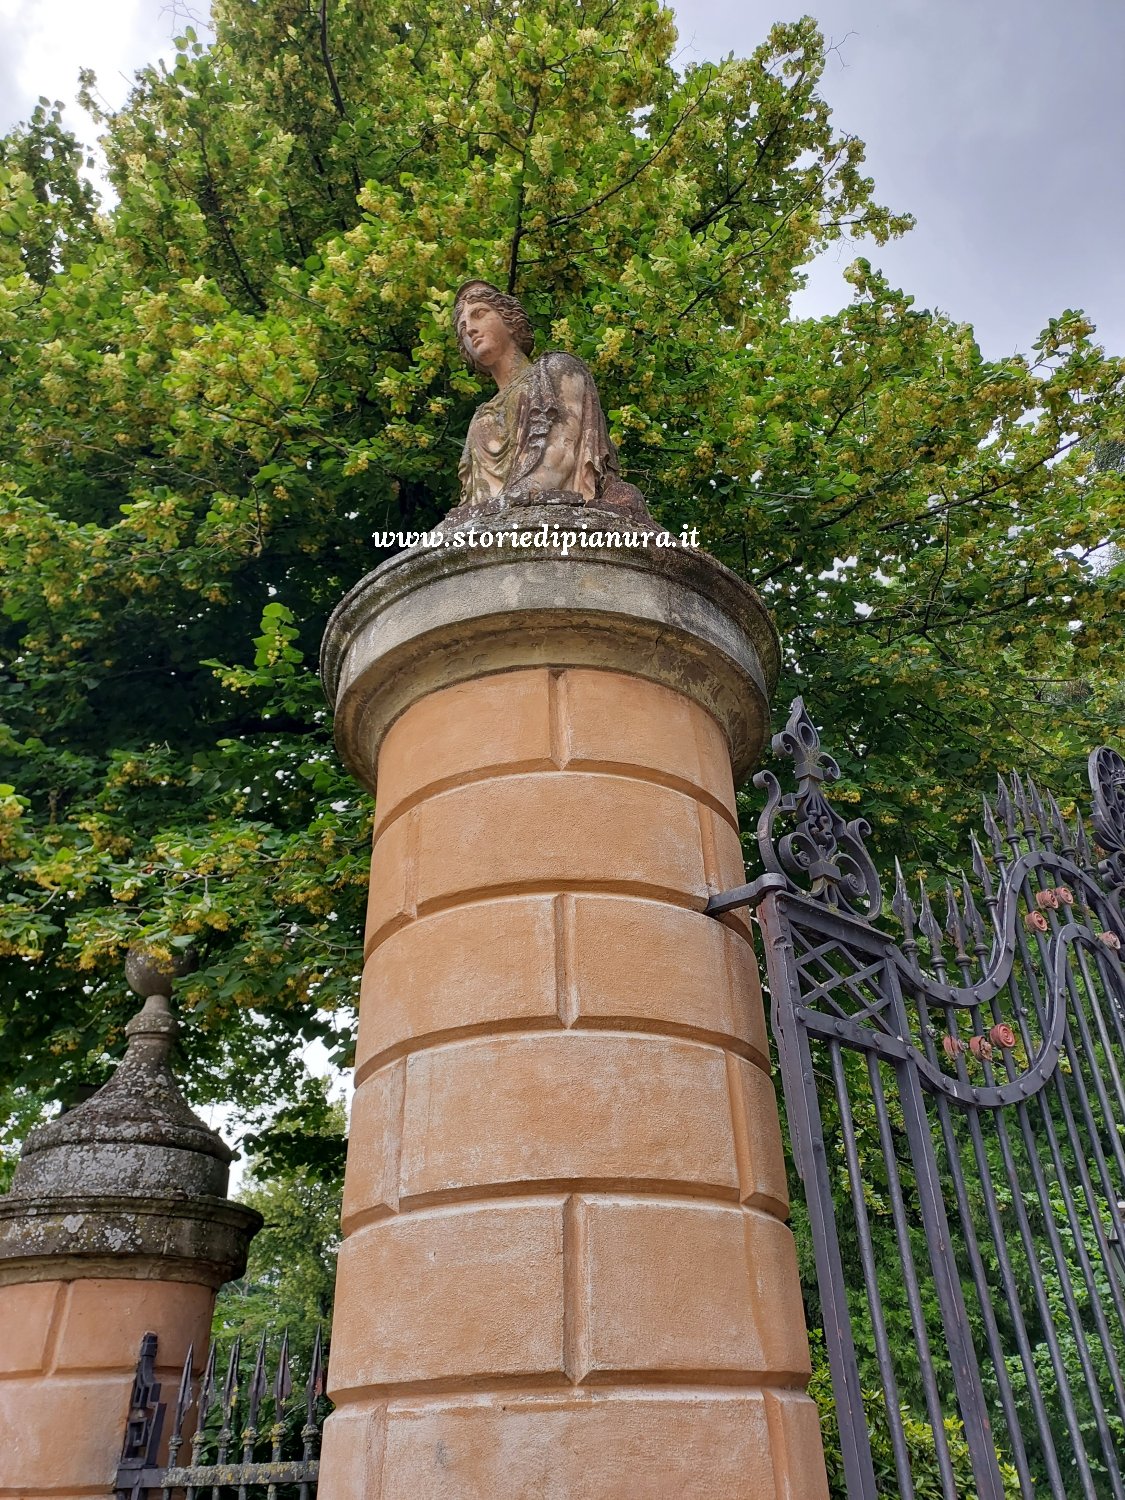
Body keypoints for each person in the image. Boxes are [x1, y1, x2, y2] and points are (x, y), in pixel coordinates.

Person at [449, 280, 651, 523]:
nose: (470, 329)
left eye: (479, 314)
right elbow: (474, 500)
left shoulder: (557, 369)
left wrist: (515, 498)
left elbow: (561, 452)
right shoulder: (481, 417)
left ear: (510, 320)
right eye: (462, 328)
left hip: (553, 521)